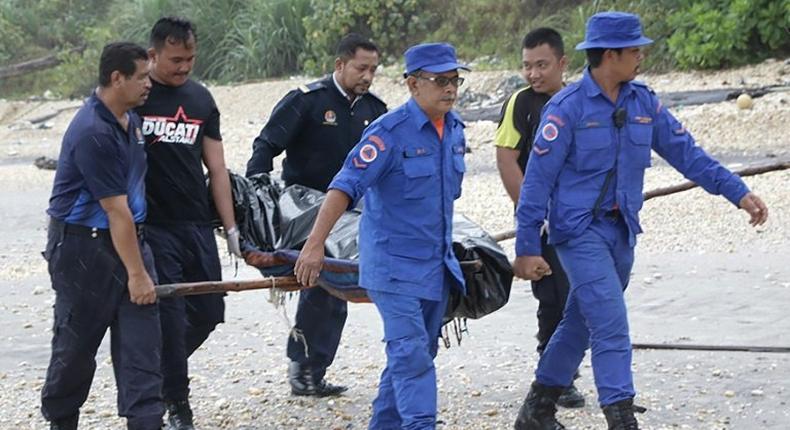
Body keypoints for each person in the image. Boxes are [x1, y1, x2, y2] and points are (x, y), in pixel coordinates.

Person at [512, 11, 768, 430]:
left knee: (580, 319)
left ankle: (537, 409)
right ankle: (621, 416)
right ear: (609, 55)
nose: (641, 56)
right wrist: (526, 248)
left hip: (622, 230)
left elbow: (689, 155)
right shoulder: (566, 110)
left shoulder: (643, 102)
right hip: (577, 233)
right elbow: (537, 183)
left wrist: (737, 192)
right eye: (634, 50)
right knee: (611, 322)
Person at [294, 42, 469, 430]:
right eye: (439, 80)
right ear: (412, 84)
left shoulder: (455, 130)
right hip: (393, 269)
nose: (449, 89)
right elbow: (344, 187)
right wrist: (314, 243)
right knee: (410, 356)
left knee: (416, 353)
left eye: (454, 80)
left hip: (435, 266)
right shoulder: (388, 133)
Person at [246, 33, 387, 396]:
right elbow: (265, 147)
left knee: (340, 287)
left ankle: (314, 369)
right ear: (339, 65)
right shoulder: (307, 101)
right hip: (305, 208)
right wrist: (255, 202)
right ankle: (305, 369)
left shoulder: (375, 110)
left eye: (373, 69)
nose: (367, 76)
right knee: (324, 282)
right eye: (361, 68)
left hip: (352, 212)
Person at [41, 42, 162, 430]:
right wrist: (138, 274)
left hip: (130, 238)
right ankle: (61, 420)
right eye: (142, 76)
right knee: (76, 348)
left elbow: (129, 208)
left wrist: (139, 268)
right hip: (82, 248)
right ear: (116, 78)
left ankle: (146, 422)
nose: (149, 84)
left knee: (142, 348)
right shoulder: (92, 131)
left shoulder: (133, 121)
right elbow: (114, 209)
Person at [135, 17, 240, 430]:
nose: (184, 67)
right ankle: (178, 403)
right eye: (176, 60)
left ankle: (154, 374)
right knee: (171, 316)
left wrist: (231, 231)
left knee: (210, 310)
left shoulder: (200, 99)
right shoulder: (138, 95)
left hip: (195, 223)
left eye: (190, 59)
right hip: (154, 226)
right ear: (153, 55)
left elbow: (216, 168)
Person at [493, 27, 585, 409]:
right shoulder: (520, 103)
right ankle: (556, 377)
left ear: (563, 63)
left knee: (584, 296)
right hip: (541, 224)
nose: (533, 74)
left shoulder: (582, 100)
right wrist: (531, 214)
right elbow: (506, 157)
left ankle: (566, 370)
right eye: (527, 66)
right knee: (553, 297)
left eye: (541, 65)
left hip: (582, 221)